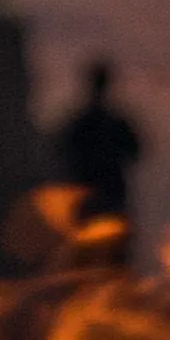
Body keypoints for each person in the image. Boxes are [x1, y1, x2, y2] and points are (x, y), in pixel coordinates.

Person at [50, 53, 147, 246]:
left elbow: (59, 151)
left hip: (93, 197)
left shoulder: (80, 123)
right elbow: (135, 152)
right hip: (101, 196)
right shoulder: (112, 123)